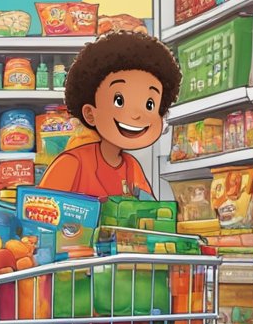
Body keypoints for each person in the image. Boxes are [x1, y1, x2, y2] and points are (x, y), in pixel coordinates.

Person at [38, 30, 179, 199]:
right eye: (119, 101)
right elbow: (40, 211)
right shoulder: (71, 163)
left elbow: (149, 211)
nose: (136, 114)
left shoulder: (131, 167)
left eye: (149, 104)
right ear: (90, 113)